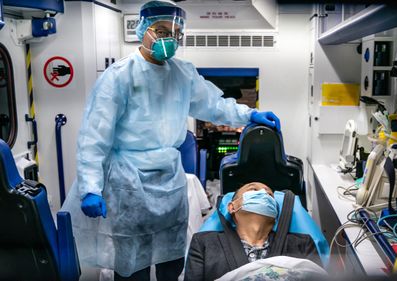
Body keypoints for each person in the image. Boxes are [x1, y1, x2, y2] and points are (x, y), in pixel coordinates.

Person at [60, 1, 280, 280]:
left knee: (172, 260)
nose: (169, 39)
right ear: (142, 29)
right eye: (161, 30)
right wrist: (91, 186)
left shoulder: (183, 73)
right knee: (132, 266)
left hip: (169, 180)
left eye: (175, 33)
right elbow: (94, 136)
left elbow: (213, 105)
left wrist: (250, 115)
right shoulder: (119, 76)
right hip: (129, 182)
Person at [184, 182, 321, 281]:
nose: (263, 194)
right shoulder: (204, 243)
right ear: (232, 207)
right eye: (253, 190)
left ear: (275, 212)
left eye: (269, 194)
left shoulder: (302, 244)